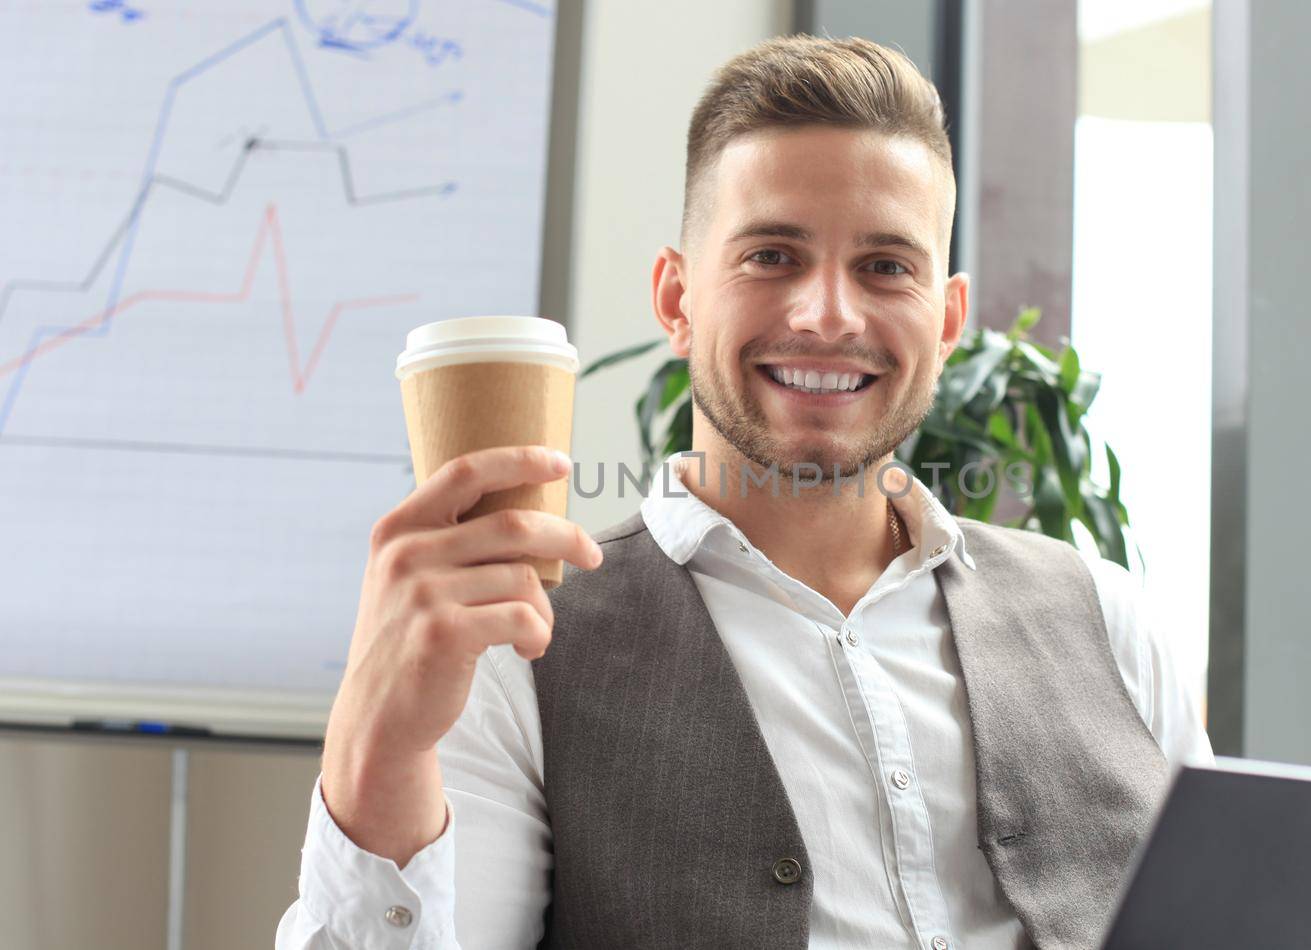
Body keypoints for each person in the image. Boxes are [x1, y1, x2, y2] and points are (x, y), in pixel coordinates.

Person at [276, 34, 1211, 950]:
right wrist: (378, 746)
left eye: (886, 267)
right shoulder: (519, 648)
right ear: (677, 301)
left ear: (949, 319)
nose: (828, 315)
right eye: (772, 256)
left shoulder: (1111, 623)